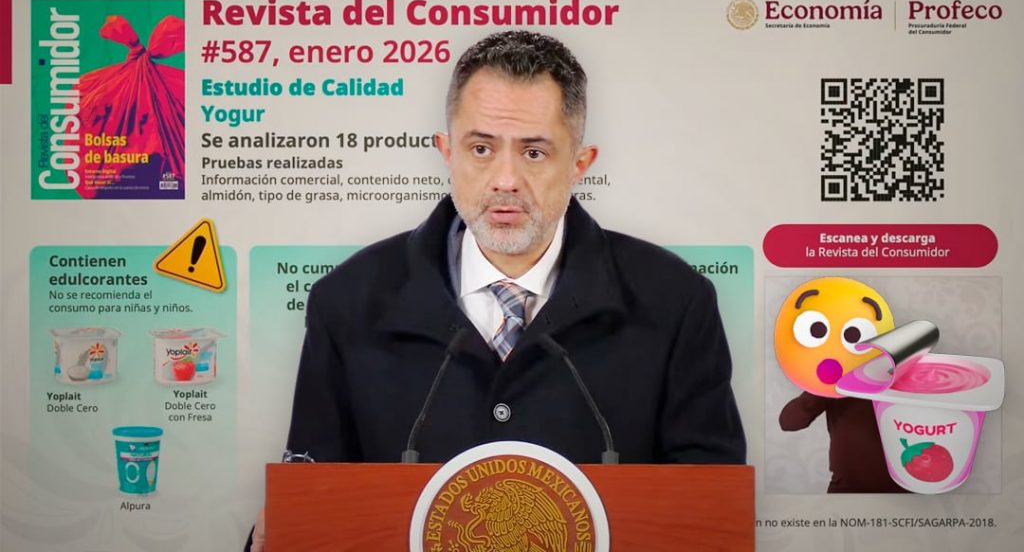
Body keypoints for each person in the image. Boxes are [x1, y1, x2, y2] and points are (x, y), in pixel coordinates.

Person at [247, 30, 745, 551]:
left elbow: (709, 517)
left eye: (534, 152)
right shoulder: (348, 301)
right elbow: (316, 505)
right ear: (447, 153)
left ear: (579, 164)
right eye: (481, 149)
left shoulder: (675, 302)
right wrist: (276, 533)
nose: (505, 179)